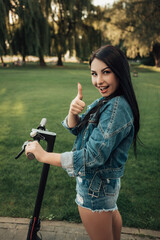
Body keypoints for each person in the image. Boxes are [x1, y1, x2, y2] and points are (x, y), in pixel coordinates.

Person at [25, 45, 140, 240]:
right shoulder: (109, 101)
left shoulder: (116, 108)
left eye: (106, 72)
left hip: (95, 191)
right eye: (94, 74)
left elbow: (92, 157)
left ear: (119, 71)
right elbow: (77, 128)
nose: (98, 81)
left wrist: (44, 156)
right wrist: (72, 112)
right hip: (105, 189)